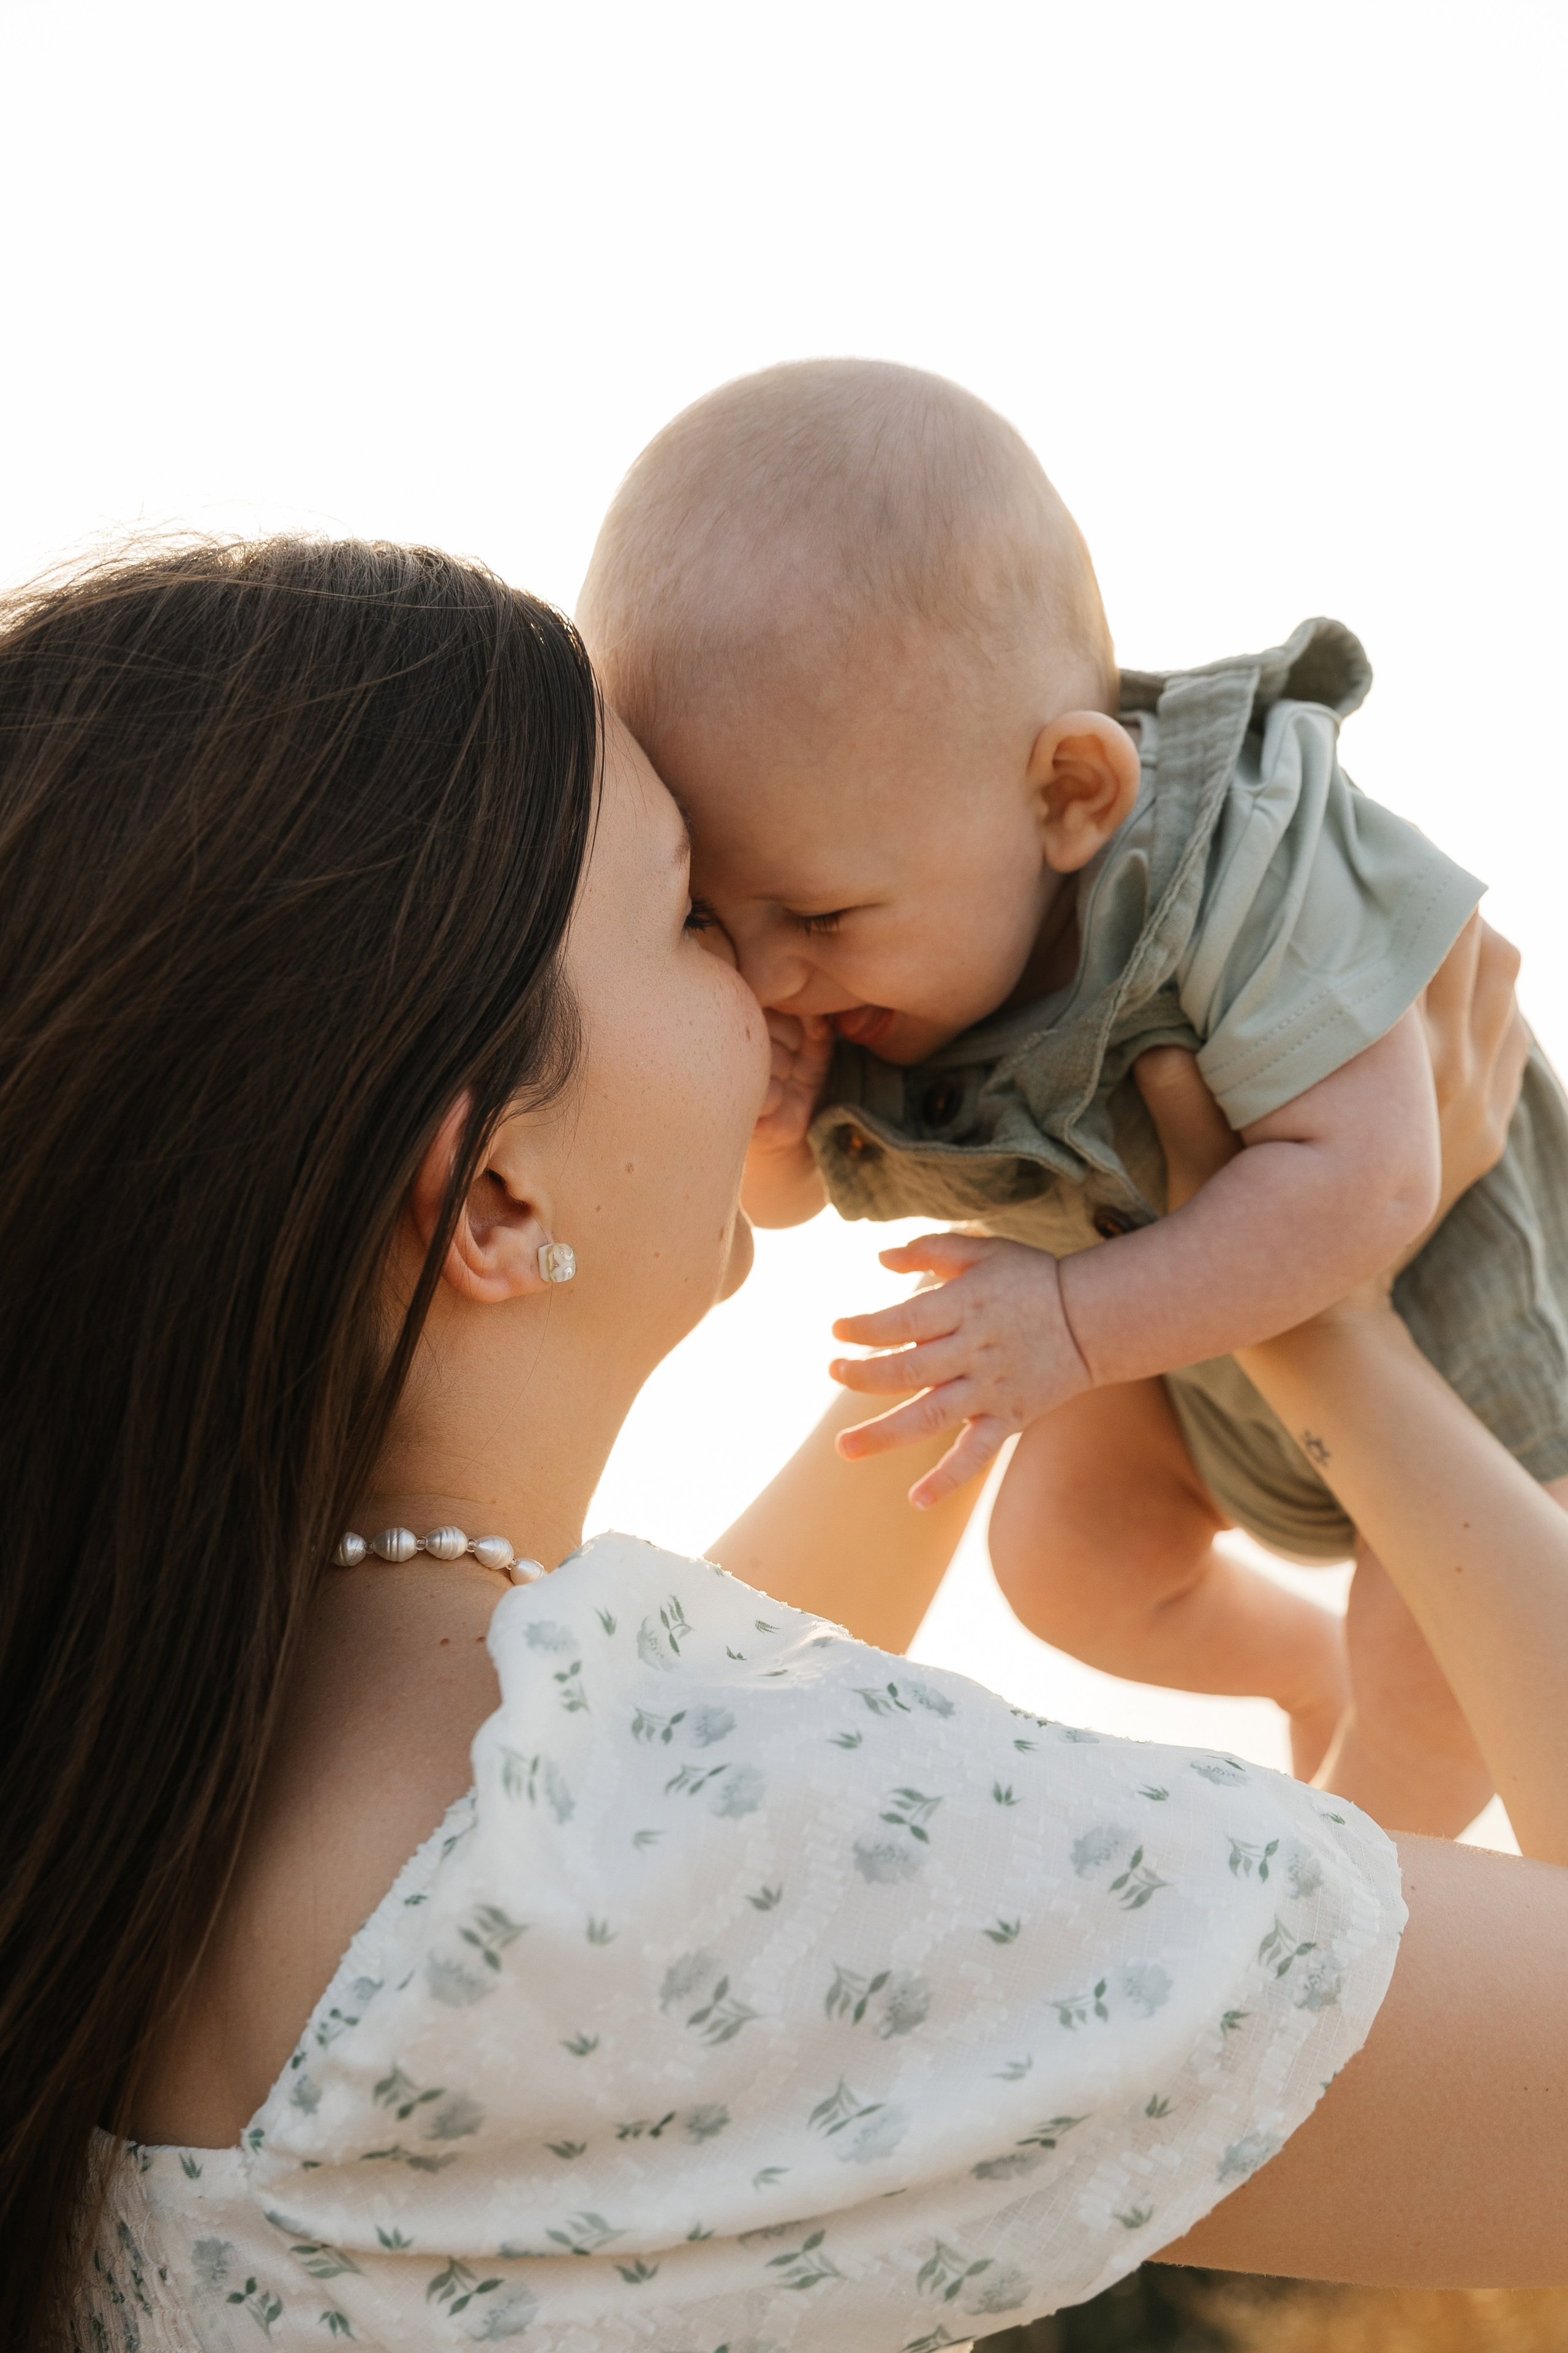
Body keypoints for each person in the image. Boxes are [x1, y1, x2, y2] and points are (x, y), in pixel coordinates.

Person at [1, 542, 1564, 2353]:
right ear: (497, 1191)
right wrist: (1332, 1325)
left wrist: (1085, 1237)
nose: (779, 997)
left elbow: (696, 1716)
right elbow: (749, 1819)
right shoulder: (648, 1861)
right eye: (692, 917)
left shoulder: (190, 1768)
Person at [576, 358, 1568, 1838]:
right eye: (719, 920)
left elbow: (1368, 1184)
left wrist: (1068, 1324)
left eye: (816, 917)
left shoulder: (1235, 863)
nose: (775, 976)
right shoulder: (883, 916)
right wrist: (779, 1120)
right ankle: (1288, 1667)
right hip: (1185, 1365)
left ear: (1069, 795)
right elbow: (784, 1199)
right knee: (1062, 1554)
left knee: (1426, 1676)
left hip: (1468, 1395)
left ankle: (1360, 1905)